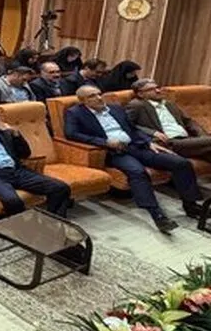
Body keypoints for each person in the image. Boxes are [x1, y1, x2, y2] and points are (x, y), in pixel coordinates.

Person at [65, 86, 201, 232]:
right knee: (138, 172)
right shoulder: (75, 113)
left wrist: (148, 142)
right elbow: (72, 134)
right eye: (92, 96)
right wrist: (104, 142)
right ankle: (157, 214)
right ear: (83, 101)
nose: (99, 98)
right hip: (114, 152)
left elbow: (133, 129)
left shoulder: (115, 108)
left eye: (99, 94)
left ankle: (191, 205)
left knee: (181, 163)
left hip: (137, 146)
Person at [126, 79, 211, 187]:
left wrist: (203, 138)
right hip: (170, 143)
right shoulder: (137, 105)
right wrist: (152, 132)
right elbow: (126, 125)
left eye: (157, 87)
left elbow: (189, 122)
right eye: (152, 89)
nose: (158, 91)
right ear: (141, 94)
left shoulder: (169, 103)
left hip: (188, 141)